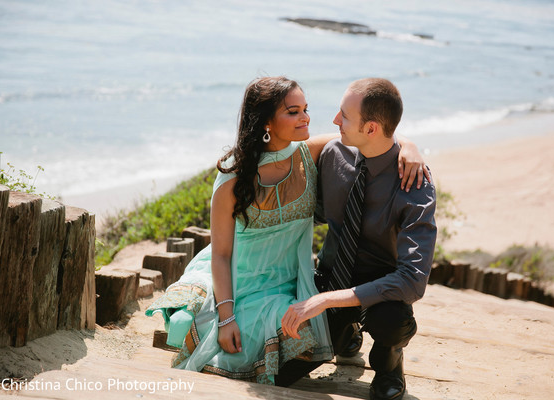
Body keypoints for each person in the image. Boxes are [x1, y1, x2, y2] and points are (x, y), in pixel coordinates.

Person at [145, 76, 428, 386]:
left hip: (334, 286)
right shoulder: (315, 157)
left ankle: (382, 359)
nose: (311, 118)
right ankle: (343, 332)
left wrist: (409, 147)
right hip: (276, 279)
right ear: (266, 122)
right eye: (294, 111)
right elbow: (222, 253)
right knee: (272, 371)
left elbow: (377, 134)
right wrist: (227, 319)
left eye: (305, 109)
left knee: (386, 321)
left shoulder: (321, 156)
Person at [279, 78, 437, 400]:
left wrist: (327, 301)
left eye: (344, 116)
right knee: (281, 374)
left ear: (371, 129)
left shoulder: (415, 184)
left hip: (380, 289)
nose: (335, 121)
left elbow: (413, 281)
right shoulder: (333, 154)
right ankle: (345, 334)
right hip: (328, 275)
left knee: (392, 320)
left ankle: (389, 363)